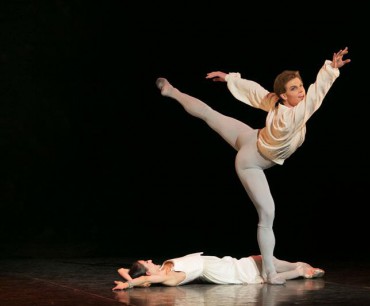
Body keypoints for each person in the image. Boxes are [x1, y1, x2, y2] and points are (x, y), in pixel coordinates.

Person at [154, 47, 350, 285]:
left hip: (251, 139)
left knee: (210, 114)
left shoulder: (276, 103)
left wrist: (229, 78)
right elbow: (316, 95)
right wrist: (330, 69)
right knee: (267, 214)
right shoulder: (293, 115)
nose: (301, 91)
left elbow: (256, 93)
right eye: (294, 88)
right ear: (283, 96)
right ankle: (269, 272)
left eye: (300, 86)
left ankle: (171, 91)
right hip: (250, 162)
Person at [112, 252, 325, 290]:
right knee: (267, 274)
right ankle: (300, 270)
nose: (150, 260)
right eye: (146, 262)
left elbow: (122, 268)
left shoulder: (162, 270)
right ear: (149, 274)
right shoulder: (164, 276)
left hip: (226, 264)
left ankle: (301, 267)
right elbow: (137, 280)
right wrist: (129, 283)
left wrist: (128, 275)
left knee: (269, 261)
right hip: (226, 272)